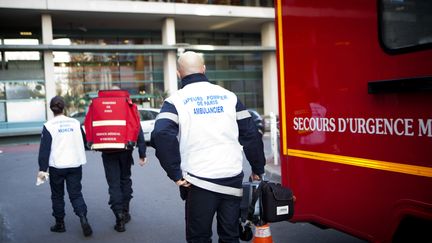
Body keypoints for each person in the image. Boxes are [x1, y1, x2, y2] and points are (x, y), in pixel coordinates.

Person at [151, 51, 266, 243]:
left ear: (179, 74)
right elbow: (251, 134)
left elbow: (161, 134)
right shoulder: (228, 96)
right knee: (230, 236)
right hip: (231, 178)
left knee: (199, 237)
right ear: (204, 69)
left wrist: (175, 173)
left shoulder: (175, 101)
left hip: (198, 181)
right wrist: (257, 169)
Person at [37, 96, 93, 237]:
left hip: (57, 166)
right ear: (64, 107)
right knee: (75, 194)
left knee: (57, 196)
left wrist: (42, 170)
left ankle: (60, 224)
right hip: (75, 164)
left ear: (51, 109)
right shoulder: (75, 123)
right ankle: (83, 217)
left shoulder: (49, 126)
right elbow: (85, 141)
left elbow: (44, 150)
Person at [100, 88, 148, 233]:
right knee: (125, 180)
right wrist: (142, 152)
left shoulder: (102, 107)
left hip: (108, 151)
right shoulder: (128, 106)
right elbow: (137, 128)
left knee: (113, 184)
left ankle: (119, 216)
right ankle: (125, 211)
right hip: (126, 150)